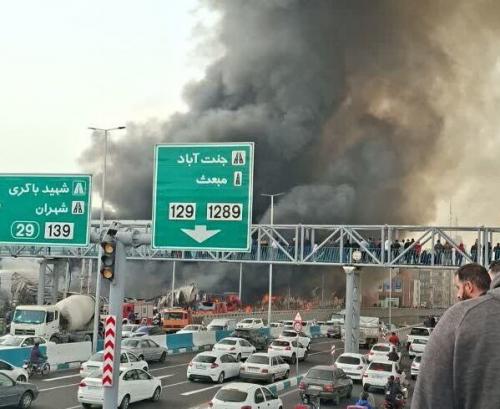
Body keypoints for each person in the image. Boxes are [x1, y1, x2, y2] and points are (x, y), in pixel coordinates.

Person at [412, 261, 500, 408]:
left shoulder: (459, 317)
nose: (458, 295)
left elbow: (429, 397)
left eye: (458, 288)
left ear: (469, 287)